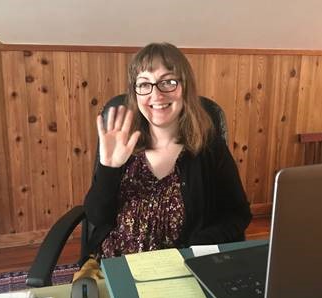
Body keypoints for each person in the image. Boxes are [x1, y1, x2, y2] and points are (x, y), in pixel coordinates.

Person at [83, 42, 252, 260]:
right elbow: (97, 218)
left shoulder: (210, 148)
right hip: (118, 265)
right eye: (144, 84)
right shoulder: (123, 144)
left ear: (185, 88)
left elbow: (238, 215)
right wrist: (108, 169)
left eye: (168, 82)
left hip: (182, 269)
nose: (156, 95)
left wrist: (197, 246)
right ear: (135, 93)